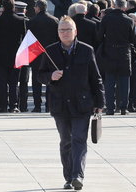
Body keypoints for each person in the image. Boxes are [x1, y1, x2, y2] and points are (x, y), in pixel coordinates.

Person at [36, 16, 105, 191]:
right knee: (66, 141)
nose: (65, 33)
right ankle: (68, 177)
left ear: (75, 32)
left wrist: (100, 102)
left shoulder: (86, 50)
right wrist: (50, 76)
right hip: (59, 105)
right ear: (57, 32)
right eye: (61, 30)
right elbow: (40, 75)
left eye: (68, 30)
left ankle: (77, 176)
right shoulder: (50, 51)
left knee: (79, 139)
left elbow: (96, 78)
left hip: (82, 104)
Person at [96, 0, 136, 115]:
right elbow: (133, 39)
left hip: (109, 51)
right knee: (124, 82)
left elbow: (99, 36)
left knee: (109, 81)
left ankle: (110, 107)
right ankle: (123, 107)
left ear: (114, 6)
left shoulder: (106, 19)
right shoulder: (129, 20)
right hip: (124, 52)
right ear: (124, 7)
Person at [0, 0, 25, 113]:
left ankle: (1, 105)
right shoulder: (20, 20)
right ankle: (13, 105)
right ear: (13, 7)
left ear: (2, 7)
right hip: (15, 56)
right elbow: (24, 37)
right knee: (14, 83)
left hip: (0, 55)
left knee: (1, 82)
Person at [27, 0, 59, 113]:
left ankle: (37, 105)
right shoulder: (55, 20)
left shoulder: (31, 21)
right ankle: (49, 105)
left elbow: (28, 40)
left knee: (37, 81)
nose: (34, 8)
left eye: (35, 7)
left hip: (36, 55)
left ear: (38, 8)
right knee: (50, 80)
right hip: (51, 55)